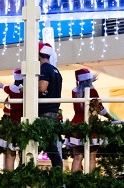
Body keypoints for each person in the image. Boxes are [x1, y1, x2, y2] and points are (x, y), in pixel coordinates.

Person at [66, 68, 112, 172]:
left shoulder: (74, 91)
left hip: (75, 123)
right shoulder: (92, 91)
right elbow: (100, 108)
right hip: (90, 123)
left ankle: (74, 183)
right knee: (91, 157)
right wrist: (111, 118)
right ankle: (91, 182)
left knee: (77, 157)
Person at [37, 42, 64, 170]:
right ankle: (57, 176)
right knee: (51, 147)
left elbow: (42, 87)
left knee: (35, 144)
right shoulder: (56, 70)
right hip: (54, 111)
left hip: (44, 113)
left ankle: (24, 174)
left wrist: (26, 89)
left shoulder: (44, 69)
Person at [0, 68, 24, 171]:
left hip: (13, 121)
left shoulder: (12, 89)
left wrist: (1, 85)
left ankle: (9, 177)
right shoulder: (29, 89)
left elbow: (5, 87)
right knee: (24, 151)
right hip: (25, 122)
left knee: (11, 151)